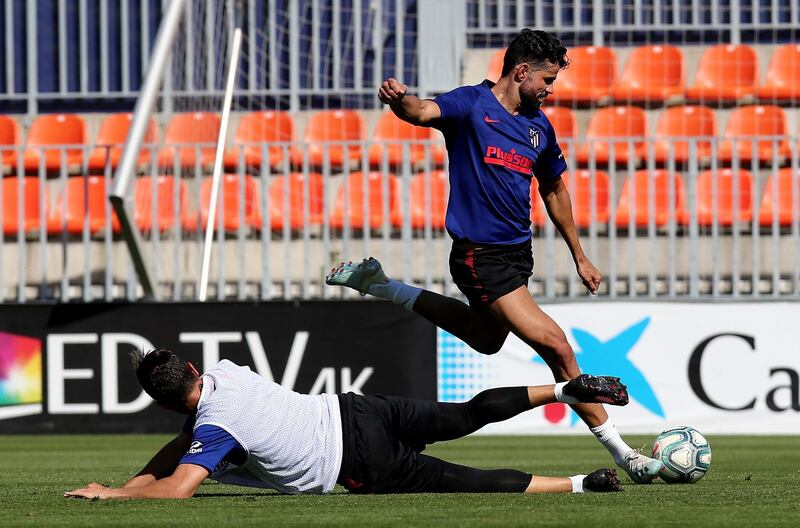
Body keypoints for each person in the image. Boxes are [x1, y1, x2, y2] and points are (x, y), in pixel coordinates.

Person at [325, 28, 663, 483]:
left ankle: (382, 285)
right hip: (478, 257)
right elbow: (422, 110)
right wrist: (397, 99)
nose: (550, 89)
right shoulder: (469, 104)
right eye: (546, 79)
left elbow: (555, 189)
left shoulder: (539, 126)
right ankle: (625, 454)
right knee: (558, 347)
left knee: (484, 339)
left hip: (516, 256)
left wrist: (579, 255)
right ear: (520, 71)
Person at [65, 349, 629, 499]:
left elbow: (180, 487)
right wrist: (128, 484)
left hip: (356, 461)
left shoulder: (213, 430)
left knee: (462, 479)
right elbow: (179, 445)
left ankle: (581, 484)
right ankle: (561, 388)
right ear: (193, 367)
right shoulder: (226, 373)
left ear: (165, 406)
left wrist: (117, 499)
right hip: (354, 408)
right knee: (464, 414)